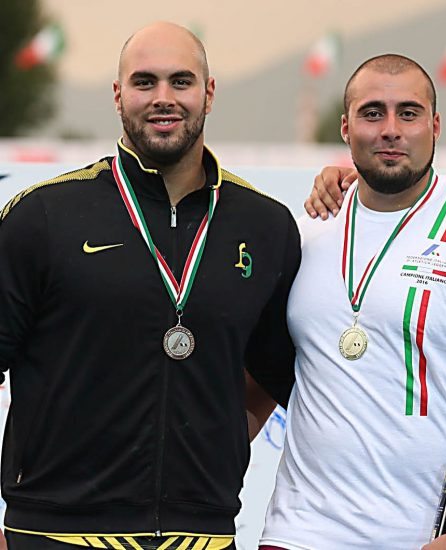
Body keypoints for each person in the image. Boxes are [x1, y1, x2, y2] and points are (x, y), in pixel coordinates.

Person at [0, 22, 300, 549]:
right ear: (118, 96)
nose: (163, 99)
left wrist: (211, 443)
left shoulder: (266, 226)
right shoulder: (44, 216)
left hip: (201, 536)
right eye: (145, 82)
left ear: (208, 93)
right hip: (54, 531)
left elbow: (273, 369)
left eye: (181, 81)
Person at [260, 54, 446, 549]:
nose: (390, 129)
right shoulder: (309, 228)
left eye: (408, 113)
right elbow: (258, 378)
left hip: (428, 539)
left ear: (435, 125)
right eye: (372, 112)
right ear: (345, 126)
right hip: (300, 532)